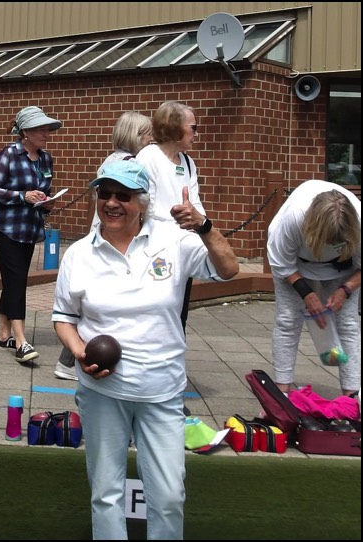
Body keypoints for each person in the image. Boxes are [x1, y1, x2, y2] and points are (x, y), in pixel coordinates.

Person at [52, 160, 239, 540]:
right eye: (104, 194)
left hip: (162, 391)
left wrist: (203, 226)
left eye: (123, 195)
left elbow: (230, 269)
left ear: (143, 201)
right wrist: (80, 351)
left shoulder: (174, 240)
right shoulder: (79, 254)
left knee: (169, 495)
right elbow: (64, 317)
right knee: (106, 494)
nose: (112, 203)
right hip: (103, 392)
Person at [54, 111, 153, 381]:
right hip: (114, 239)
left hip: (104, 234)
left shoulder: (112, 159)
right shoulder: (133, 163)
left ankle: (71, 358)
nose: (150, 139)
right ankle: (73, 359)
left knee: (88, 306)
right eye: (146, 134)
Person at [267, 179, 360, 397]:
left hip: (342, 267)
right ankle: (282, 391)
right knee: (287, 320)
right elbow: (282, 264)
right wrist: (307, 293)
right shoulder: (294, 218)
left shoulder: (359, 220)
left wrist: (345, 290)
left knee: (347, 323)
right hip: (296, 264)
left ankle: (352, 396)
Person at [0, 105, 62, 363]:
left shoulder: (45, 159)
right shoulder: (9, 155)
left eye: (47, 128)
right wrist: (22, 196)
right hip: (7, 228)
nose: (46, 133)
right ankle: (21, 341)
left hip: (30, 228)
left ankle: (3, 334)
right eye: (41, 128)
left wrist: (46, 201)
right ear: (25, 132)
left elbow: (41, 190)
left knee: (13, 279)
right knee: (17, 281)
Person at [135, 101, 205, 334]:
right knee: (155, 305)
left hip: (184, 244)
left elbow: (195, 203)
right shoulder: (148, 157)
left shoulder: (188, 162)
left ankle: (174, 362)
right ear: (175, 129)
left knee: (180, 307)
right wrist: (179, 218)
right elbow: (145, 203)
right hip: (157, 246)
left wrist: (197, 219)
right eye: (193, 127)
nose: (196, 133)